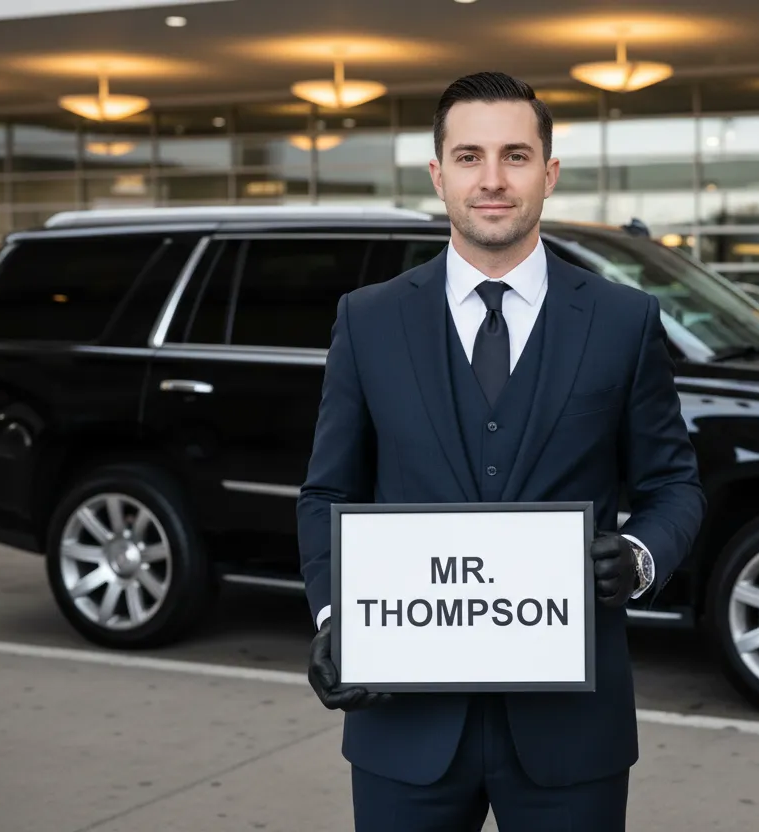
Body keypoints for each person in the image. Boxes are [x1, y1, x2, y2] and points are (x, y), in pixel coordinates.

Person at [296, 71, 706, 831]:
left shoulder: (622, 320)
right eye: (469, 156)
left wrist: (642, 555)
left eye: (515, 156)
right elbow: (329, 493)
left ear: (548, 173)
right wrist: (334, 613)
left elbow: (674, 486)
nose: (491, 179)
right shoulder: (369, 319)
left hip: (571, 733)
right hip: (403, 724)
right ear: (438, 173)